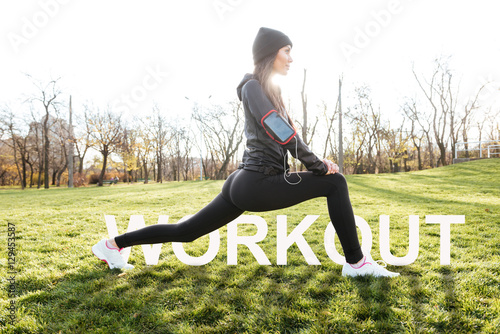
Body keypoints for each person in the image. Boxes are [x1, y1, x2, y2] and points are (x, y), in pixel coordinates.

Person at [92, 27, 399, 278]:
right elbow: (276, 128)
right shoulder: (253, 87)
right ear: (271, 54)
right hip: (256, 182)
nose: (291, 58)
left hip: (245, 181)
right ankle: (357, 264)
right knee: (336, 183)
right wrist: (316, 165)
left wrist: (319, 160)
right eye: (287, 51)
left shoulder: (270, 90)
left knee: (186, 231)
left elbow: (286, 133)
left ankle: (113, 245)